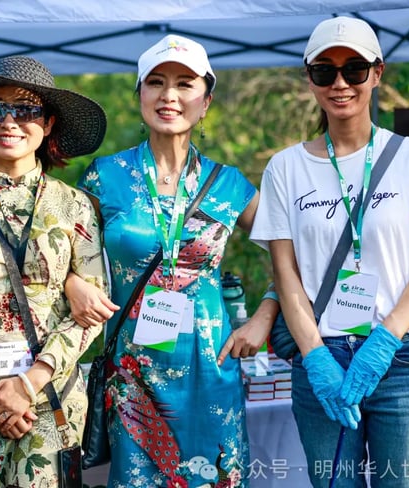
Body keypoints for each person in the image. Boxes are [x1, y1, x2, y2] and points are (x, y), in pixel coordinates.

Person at [250, 17, 409, 488]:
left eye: (354, 69)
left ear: (377, 73)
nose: (340, 83)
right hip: (322, 352)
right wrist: (314, 356)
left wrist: (385, 339)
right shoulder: (285, 168)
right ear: (309, 78)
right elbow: (285, 274)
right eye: (324, 71)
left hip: (403, 355)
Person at [75, 34, 279, 488]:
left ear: (205, 102)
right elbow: (64, 256)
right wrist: (74, 283)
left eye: (185, 84)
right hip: (133, 378)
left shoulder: (229, 186)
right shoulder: (105, 177)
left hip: (211, 370)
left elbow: (296, 255)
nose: (169, 95)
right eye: (156, 82)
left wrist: (263, 318)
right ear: (140, 96)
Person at [0, 55, 110, 487]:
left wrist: (28, 384)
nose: (9, 121)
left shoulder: (75, 205)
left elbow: (93, 312)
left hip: (53, 399)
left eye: (25, 109)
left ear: (47, 123)